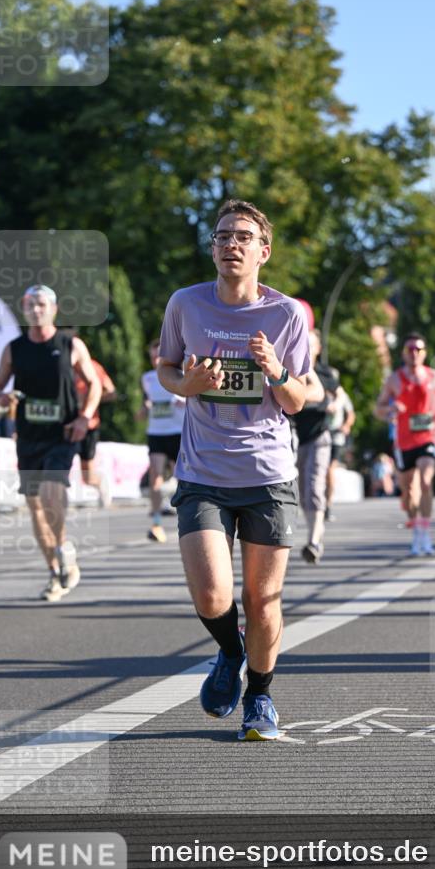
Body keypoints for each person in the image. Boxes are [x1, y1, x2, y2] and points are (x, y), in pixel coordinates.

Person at [156, 199, 310, 741]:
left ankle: (260, 696)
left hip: (268, 475)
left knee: (263, 602)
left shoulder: (287, 315)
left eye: (243, 236)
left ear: (264, 251)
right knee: (212, 596)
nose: (231, 244)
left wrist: (277, 370)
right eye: (223, 236)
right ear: (213, 248)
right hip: (203, 472)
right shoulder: (186, 303)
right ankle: (229, 649)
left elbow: (298, 399)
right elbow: (165, 366)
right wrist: (186, 386)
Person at [0, 285, 101, 601]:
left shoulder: (70, 345)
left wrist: (84, 417)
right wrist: (0, 397)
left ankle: (63, 546)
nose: (36, 310)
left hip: (63, 434)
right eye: (30, 305)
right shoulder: (14, 349)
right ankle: (55, 573)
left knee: (52, 490)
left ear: (53, 308)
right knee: (35, 507)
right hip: (28, 437)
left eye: (41, 304)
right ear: (24, 309)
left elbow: (93, 384)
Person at [374, 333, 435, 556]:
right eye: (410, 349)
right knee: (408, 491)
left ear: (424, 353)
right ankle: (415, 527)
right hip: (404, 441)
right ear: (404, 353)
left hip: (429, 436)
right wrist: (390, 410)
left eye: (418, 349)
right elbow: (378, 408)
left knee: (426, 482)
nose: (414, 353)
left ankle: (424, 533)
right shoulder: (394, 379)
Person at [294, 329, 334, 562]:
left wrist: (333, 404)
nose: (307, 348)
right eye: (304, 343)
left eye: (311, 344)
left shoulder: (324, 373)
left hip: (319, 436)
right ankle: (315, 531)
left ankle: (314, 541)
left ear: (318, 348)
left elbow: (335, 397)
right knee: (302, 491)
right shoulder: (291, 368)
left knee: (314, 486)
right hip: (297, 437)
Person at [140, 339, 186, 543]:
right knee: (155, 476)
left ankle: (188, 520)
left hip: (178, 432)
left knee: (184, 478)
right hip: (156, 432)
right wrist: (144, 408)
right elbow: (146, 402)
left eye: (159, 356)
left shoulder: (180, 375)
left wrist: (183, 401)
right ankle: (156, 523)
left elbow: (194, 399)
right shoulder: (147, 378)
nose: (155, 361)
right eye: (152, 357)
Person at [73, 347, 117, 508]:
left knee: (88, 476)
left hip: (88, 425)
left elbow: (111, 392)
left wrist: (89, 399)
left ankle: (101, 483)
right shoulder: (58, 363)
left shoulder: (93, 366)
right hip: (66, 425)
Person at [323, 368, 356, 521]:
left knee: (330, 469)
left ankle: (328, 504)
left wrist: (346, 426)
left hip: (336, 435)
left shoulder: (342, 396)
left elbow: (351, 414)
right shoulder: (321, 393)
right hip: (320, 434)